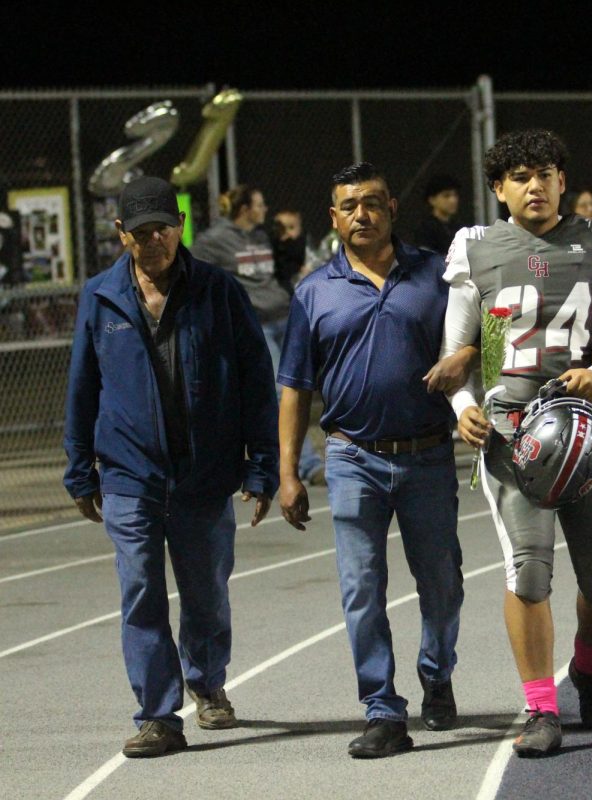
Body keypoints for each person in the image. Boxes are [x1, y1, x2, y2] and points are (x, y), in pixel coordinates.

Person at [442, 129, 592, 757]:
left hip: (584, 429)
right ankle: (540, 708)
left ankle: (586, 667)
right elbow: (455, 355)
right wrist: (464, 406)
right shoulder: (474, 247)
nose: (535, 185)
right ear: (499, 188)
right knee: (527, 572)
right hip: (512, 432)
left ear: (563, 180)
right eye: (521, 176)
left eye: (546, 173)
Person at [62, 176, 278, 757]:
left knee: (206, 589)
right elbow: (82, 387)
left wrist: (264, 464)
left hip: (205, 473)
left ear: (179, 226)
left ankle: (207, 684)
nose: (153, 238)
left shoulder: (219, 291)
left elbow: (258, 381)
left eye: (162, 226)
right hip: (130, 472)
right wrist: (79, 466)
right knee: (140, 590)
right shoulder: (101, 297)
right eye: (140, 231)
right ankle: (158, 714)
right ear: (120, 234)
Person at [277, 163, 465, 758]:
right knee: (361, 588)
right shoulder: (313, 290)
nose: (363, 214)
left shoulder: (437, 277)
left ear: (391, 209)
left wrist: (465, 358)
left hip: (428, 457)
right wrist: (288, 470)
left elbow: (483, 338)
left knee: (442, 584)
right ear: (333, 218)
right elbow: (294, 387)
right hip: (352, 457)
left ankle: (436, 672)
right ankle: (382, 708)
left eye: (373, 203)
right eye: (349, 205)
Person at [193, 185, 323, 483]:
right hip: (257, 325)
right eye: (260, 205)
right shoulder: (215, 241)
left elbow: (284, 265)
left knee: (300, 388)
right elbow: (194, 273)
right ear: (245, 209)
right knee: (282, 392)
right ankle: (307, 465)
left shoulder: (263, 236)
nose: (265, 210)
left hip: (286, 318)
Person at [413, 174, 461, 257]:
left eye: (455, 195)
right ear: (432, 200)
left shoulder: (458, 227)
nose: (453, 200)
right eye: (446, 196)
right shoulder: (426, 229)